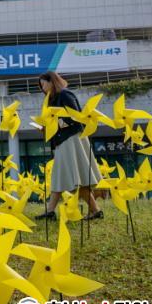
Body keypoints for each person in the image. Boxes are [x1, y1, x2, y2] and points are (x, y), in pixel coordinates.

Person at [34, 71, 103, 220]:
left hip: (72, 140)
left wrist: (56, 124)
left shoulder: (65, 94)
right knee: (64, 176)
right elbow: (54, 121)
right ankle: (94, 211)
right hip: (62, 141)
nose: (43, 88)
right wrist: (46, 128)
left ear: (52, 81)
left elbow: (76, 116)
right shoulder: (52, 99)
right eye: (41, 86)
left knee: (70, 176)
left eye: (43, 84)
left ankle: (52, 211)